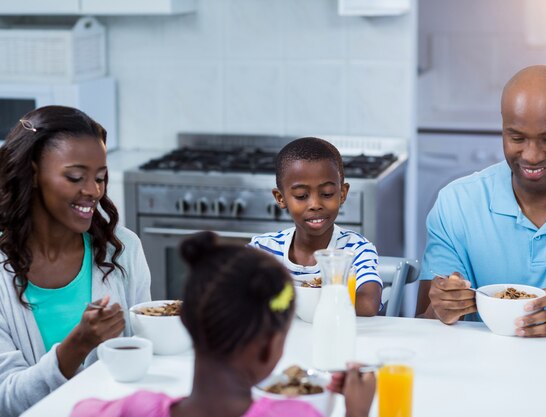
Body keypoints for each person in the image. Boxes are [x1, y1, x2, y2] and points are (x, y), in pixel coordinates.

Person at [415, 65, 546, 337]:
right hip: (481, 370)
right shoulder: (456, 204)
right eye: (516, 138)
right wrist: (442, 309)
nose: (532, 155)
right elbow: (423, 322)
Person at [70, 231, 375, 417]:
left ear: (187, 323)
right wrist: (356, 412)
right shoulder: (293, 414)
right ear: (270, 347)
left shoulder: (138, 409)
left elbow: (79, 410)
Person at [0, 105, 151, 416]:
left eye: (101, 177)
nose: (93, 191)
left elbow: (146, 361)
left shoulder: (122, 250)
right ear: (33, 173)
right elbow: (6, 400)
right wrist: (77, 346)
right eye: (75, 177)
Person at [249, 137, 382, 316]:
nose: (315, 204)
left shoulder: (356, 250)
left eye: (327, 194)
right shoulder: (263, 250)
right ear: (281, 198)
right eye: (302, 196)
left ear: (342, 194)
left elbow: (367, 305)